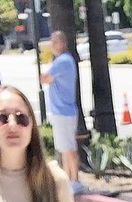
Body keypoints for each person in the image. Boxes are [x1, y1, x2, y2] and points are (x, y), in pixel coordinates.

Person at [40, 30, 81, 185]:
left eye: (54, 42)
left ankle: (75, 180)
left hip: (63, 112)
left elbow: (44, 78)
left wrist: (47, 78)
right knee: (65, 148)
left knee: (69, 148)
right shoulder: (65, 60)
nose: (52, 46)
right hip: (63, 112)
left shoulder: (62, 61)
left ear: (62, 43)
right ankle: (68, 179)